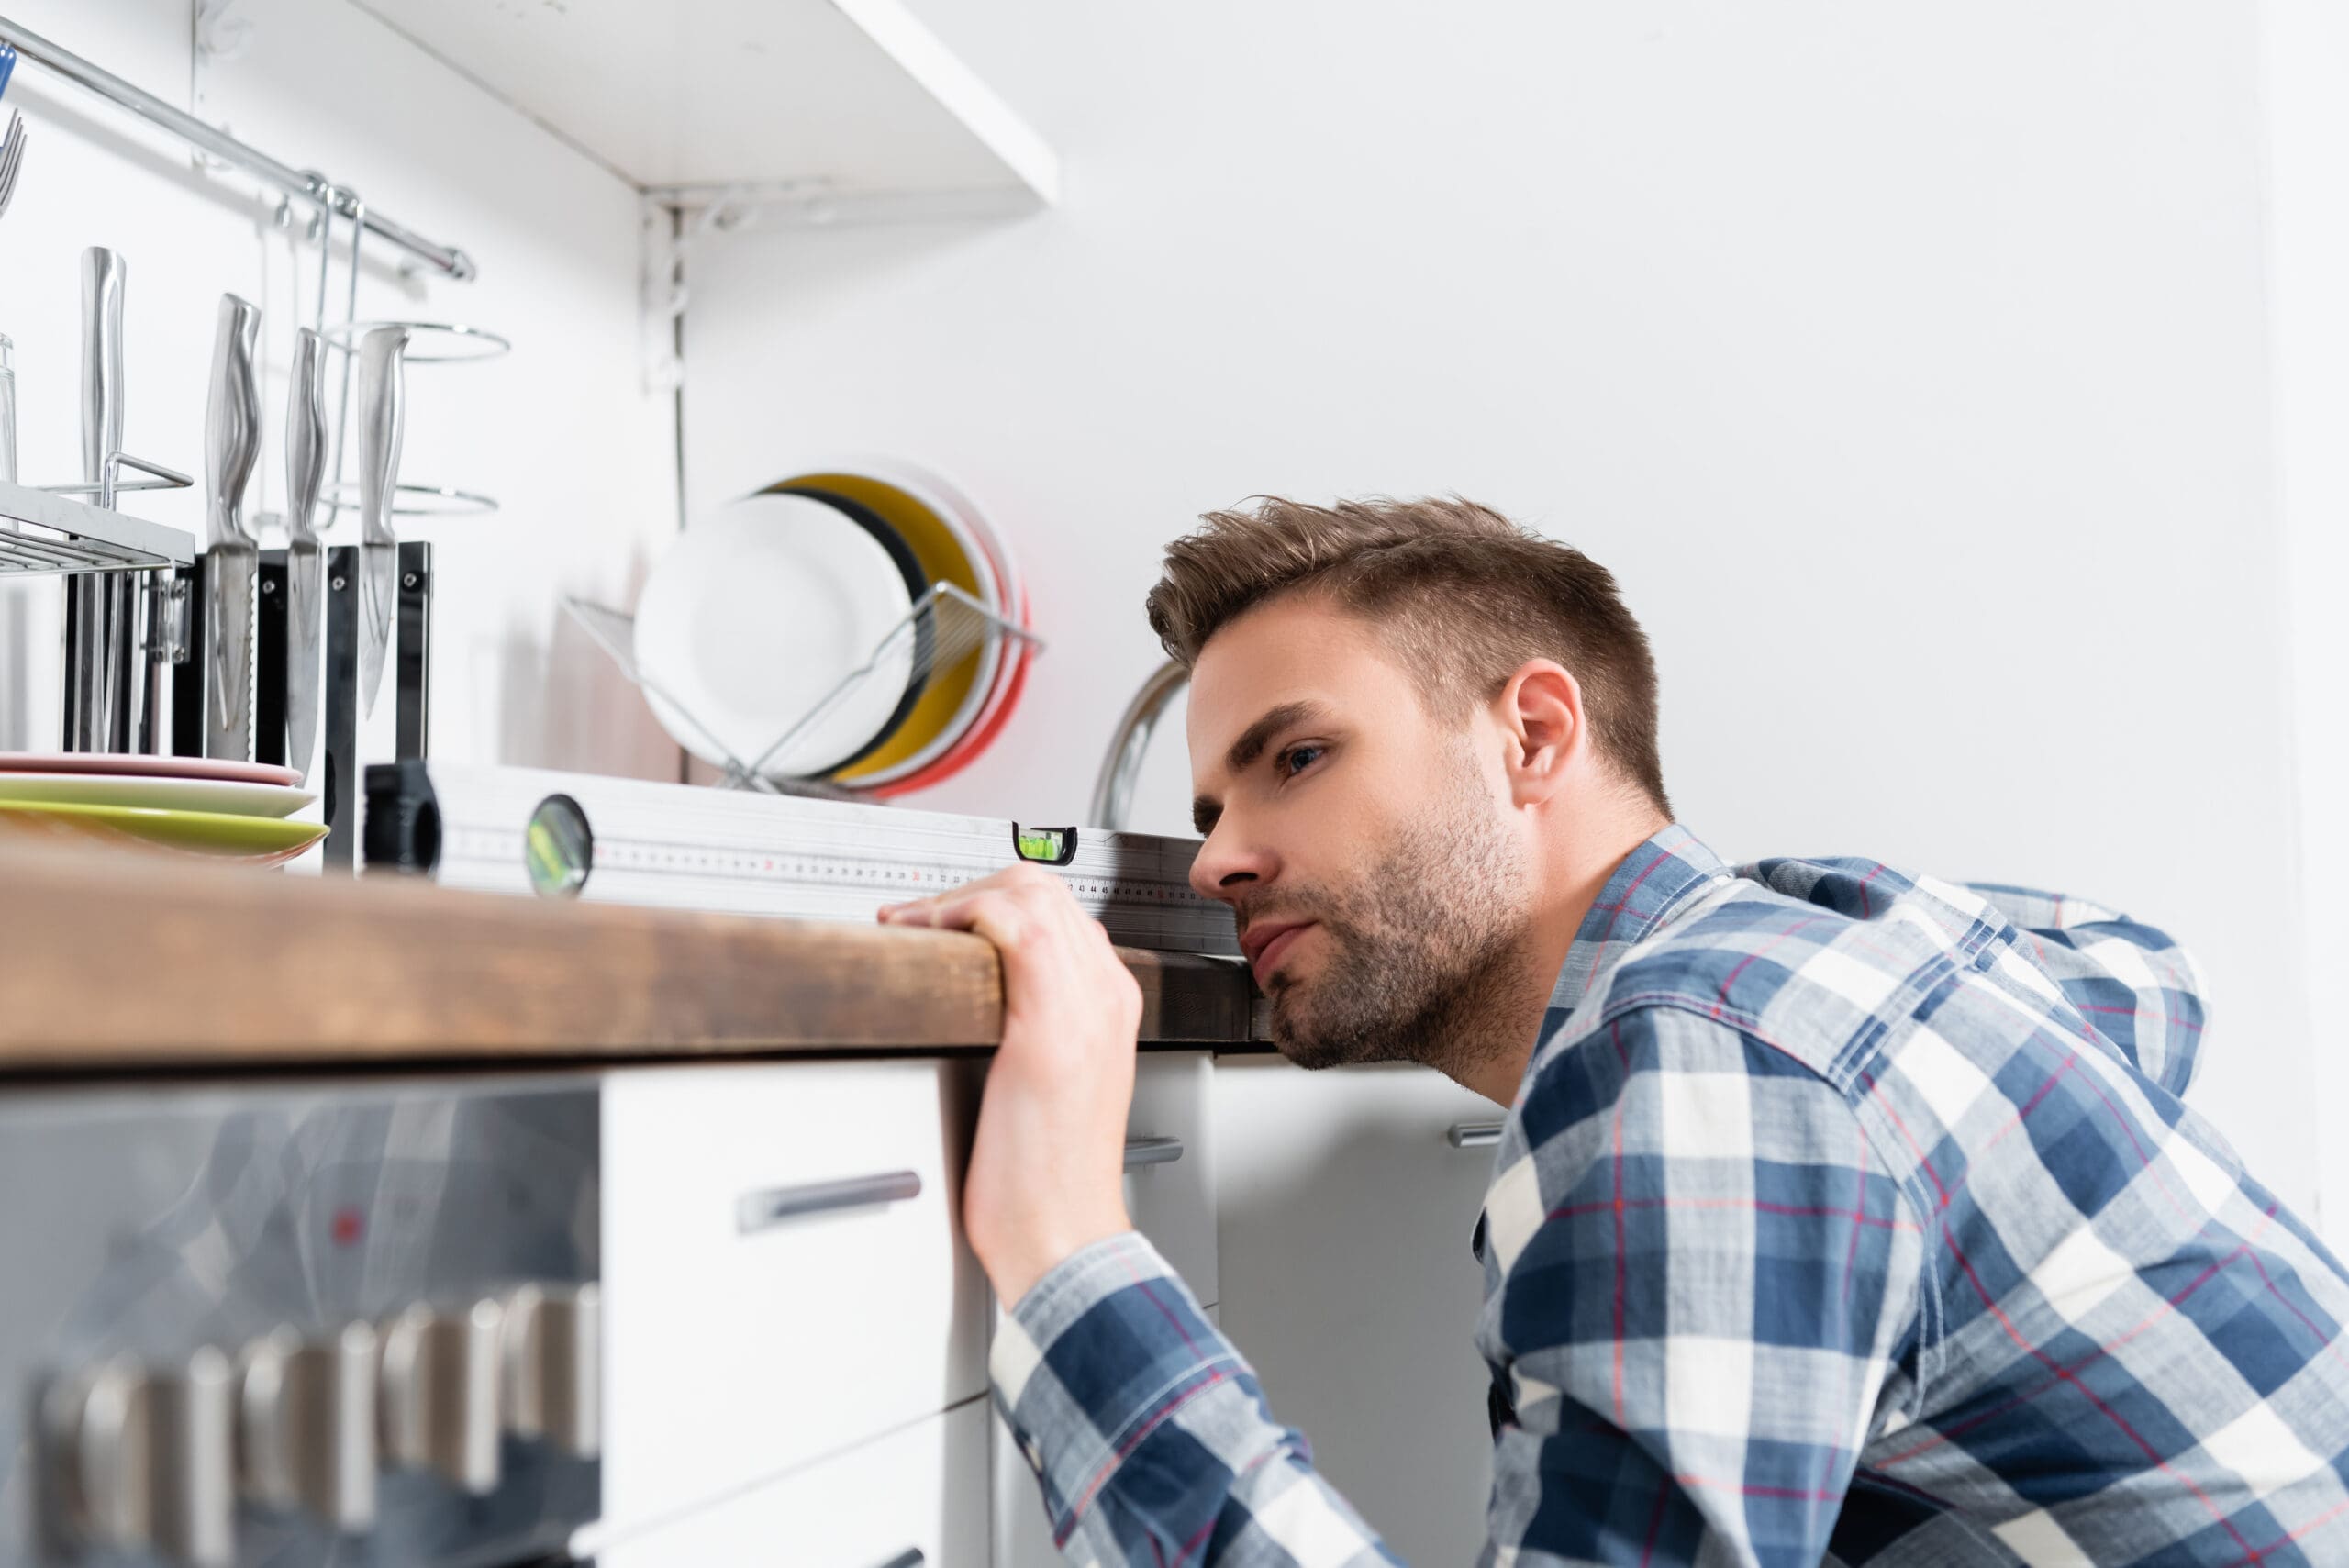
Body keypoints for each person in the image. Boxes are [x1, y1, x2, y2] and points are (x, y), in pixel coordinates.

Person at [876, 496, 2349, 1567]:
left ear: (1533, 734)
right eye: (1210, 811)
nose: (1216, 860)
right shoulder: (1847, 940)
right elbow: (2147, 974)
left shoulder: (1702, 1064)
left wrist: (1068, 1245)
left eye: (1299, 759)